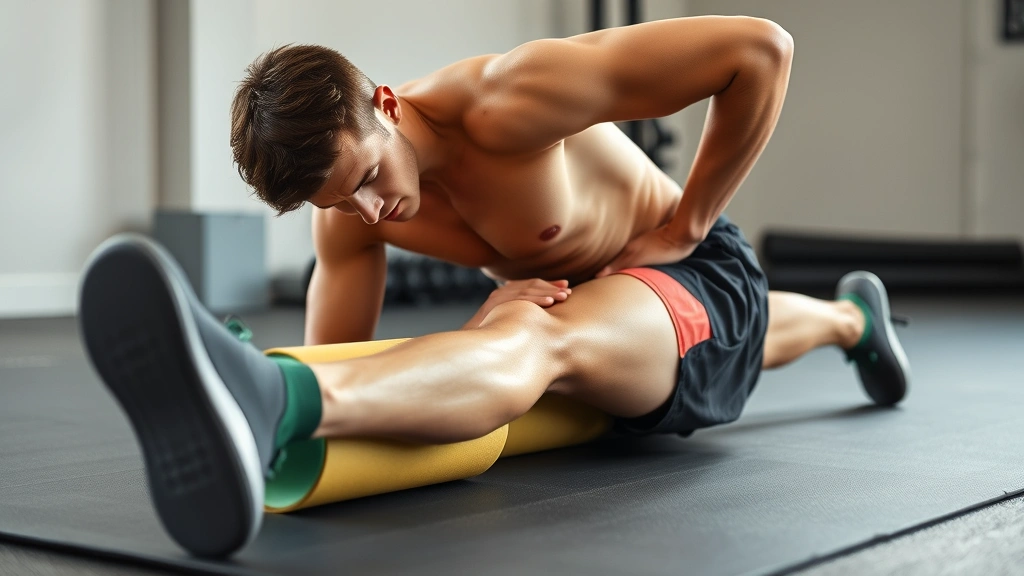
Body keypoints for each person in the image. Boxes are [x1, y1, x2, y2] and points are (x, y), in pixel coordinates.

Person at [79, 16, 909, 559]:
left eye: (368, 175)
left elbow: (761, 52)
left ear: (386, 103)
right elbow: (349, 362)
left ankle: (273, 399)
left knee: (539, 340)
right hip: (620, 315)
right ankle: (850, 319)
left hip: (692, 274)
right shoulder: (349, 217)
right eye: (342, 202)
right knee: (686, 338)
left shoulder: (509, 100)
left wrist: (688, 222)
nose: (372, 211)